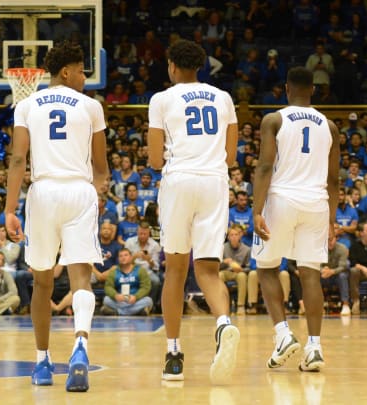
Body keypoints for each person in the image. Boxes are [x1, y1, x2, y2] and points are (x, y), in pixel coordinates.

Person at [5, 41, 108, 391]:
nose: (84, 77)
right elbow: (102, 168)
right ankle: (80, 345)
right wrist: (99, 195)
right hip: (79, 191)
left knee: (43, 282)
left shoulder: (26, 105)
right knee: (81, 277)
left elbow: (18, 160)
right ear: (66, 71)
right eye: (81, 70)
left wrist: (8, 209)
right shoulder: (92, 106)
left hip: (43, 193)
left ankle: (42, 362)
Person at [148, 39, 240, 383]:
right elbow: (231, 158)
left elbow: (156, 159)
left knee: (175, 271)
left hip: (180, 181)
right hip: (215, 182)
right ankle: (224, 324)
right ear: (199, 66)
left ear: (172, 65)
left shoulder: (161, 99)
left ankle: (173, 354)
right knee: (208, 270)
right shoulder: (224, 98)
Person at [252, 66, 339, 372]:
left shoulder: (274, 119)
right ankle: (314, 348)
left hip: (282, 200)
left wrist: (256, 210)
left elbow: (264, 167)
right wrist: (331, 219)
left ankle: (283, 334)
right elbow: (334, 180)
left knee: (266, 269)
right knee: (311, 275)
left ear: (286, 89)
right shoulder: (329, 126)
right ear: (313, 90)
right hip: (317, 203)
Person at [101, 248, 153, 315]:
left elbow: (146, 287)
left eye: (126, 255)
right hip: (120, 300)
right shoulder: (114, 272)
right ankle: (135, 312)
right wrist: (115, 295)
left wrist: (136, 297)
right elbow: (108, 287)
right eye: (121, 256)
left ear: (131, 257)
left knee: (148, 301)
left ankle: (119, 312)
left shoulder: (140, 270)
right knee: (106, 300)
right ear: (118, 259)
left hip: (134, 300)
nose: (123, 258)